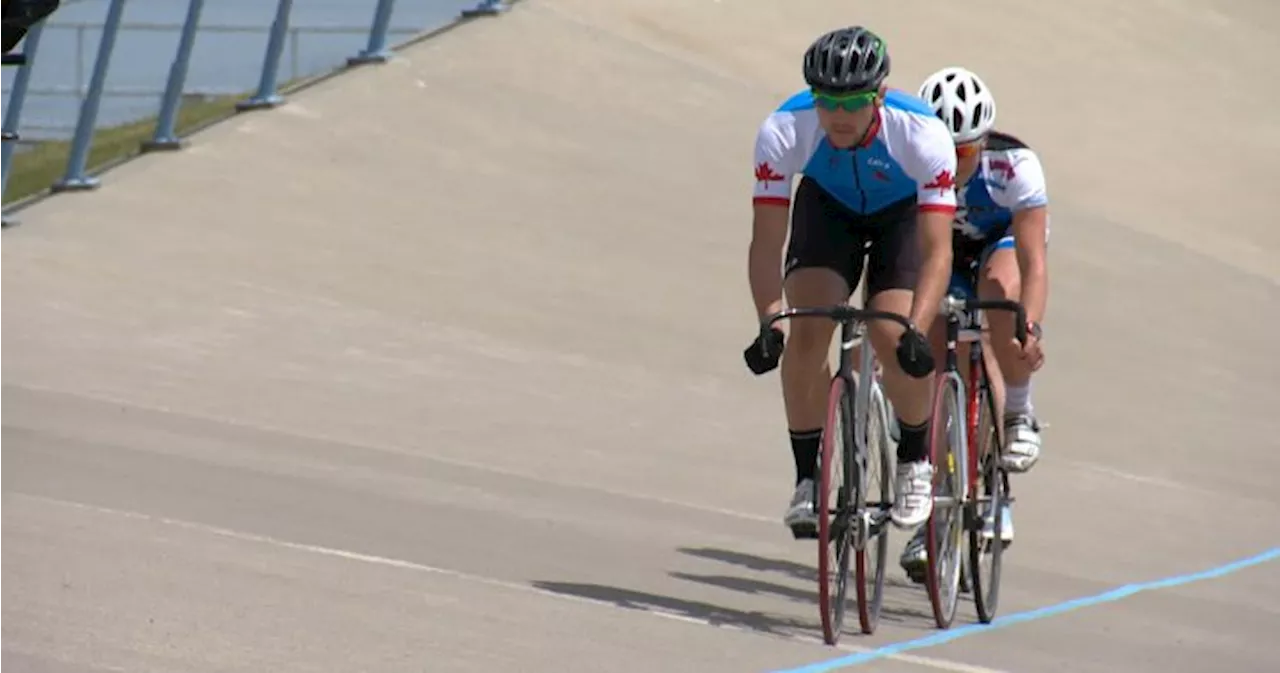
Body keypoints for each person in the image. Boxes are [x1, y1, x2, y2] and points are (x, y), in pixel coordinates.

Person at [742, 26, 959, 537]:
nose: (838, 115)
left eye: (854, 102)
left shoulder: (922, 135)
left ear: (879, 95)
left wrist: (917, 330)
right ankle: (807, 479)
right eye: (826, 101)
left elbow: (936, 250)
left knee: (891, 333)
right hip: (829, 209)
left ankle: (913, 460)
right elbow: (765, 243)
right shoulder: (783, 131)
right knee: (808, 327)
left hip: (901, 215)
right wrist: (770, 322)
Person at [897, 66, 1050, 581]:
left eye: (963, 152)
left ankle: (1018, 414)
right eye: (944, 149)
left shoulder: (1016, 166)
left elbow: (1034, 263)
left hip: (997, 244)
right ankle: (935, 515)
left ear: (981, 144)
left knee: (999, 299)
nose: (953, 163)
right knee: (934, 369)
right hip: (943, 253)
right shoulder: (909, 160)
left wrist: (1029, 327)